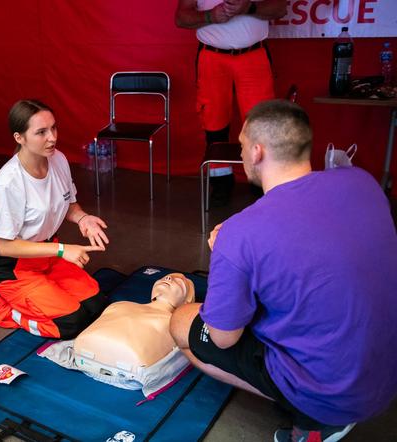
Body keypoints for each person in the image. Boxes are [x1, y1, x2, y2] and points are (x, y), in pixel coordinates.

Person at [169, 100, 397, 442]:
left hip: (333, 395)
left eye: (243, 145)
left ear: (257, 152)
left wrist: (225, 254)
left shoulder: (239, 234)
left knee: (181, 323)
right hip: (385, 375)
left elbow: (222, 338)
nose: (242, 153)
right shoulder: (362, 181)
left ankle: (311, 422)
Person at [0, 99, 109, 339]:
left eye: (53, 128)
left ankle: (44, 293)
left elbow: (68, 204)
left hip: (48, 256)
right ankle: (6, 309)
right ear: (19, 137)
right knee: (72, 323)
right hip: (15, 267)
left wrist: (83, 218)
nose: (52, 137)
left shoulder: (58, 159)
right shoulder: (8, 182)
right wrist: (63, 250)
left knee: (97, 306)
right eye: (41, 132)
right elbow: (2, 246)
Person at [175, 0, 287, 205]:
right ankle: (221, 185)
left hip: (254, 55)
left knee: (261, 125)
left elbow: (280, 8)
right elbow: (181, 18)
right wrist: (210, 16)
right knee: (214, 124)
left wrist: (249, 8)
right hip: (212, 56)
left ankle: (260, 184)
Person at [40, 273, 195, 396]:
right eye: (165, 277)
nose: (168, 278)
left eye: (178, 282)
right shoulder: (120, 304)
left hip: (128, 366)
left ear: (187, 301)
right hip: (86, 351)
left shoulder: (175, 323)